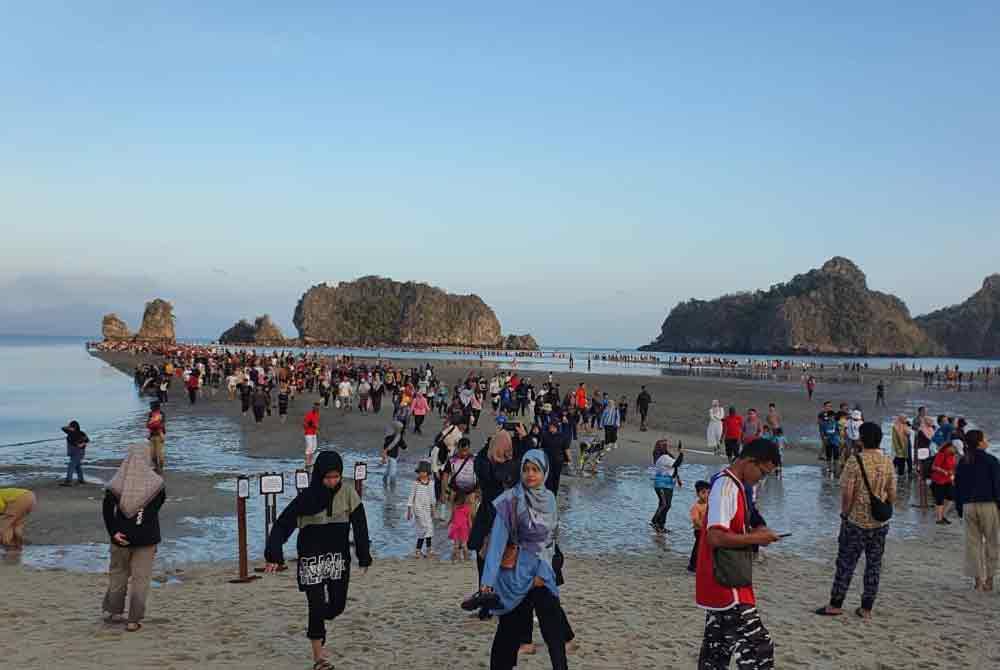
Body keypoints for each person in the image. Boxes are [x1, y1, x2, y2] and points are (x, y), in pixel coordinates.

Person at [264, 451, 372, 670]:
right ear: (319, 475)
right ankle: (318, 658)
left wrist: (363, 556)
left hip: (338, 560)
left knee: (336, 606)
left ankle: (319, 621)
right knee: (315, 606)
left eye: (336, 477)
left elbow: (360, 525)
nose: (332, 481)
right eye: (327, 477)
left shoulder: (349, 493)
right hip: (311, 560)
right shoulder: (306, 498)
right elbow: (283, 525)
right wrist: (274, 553)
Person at [480, 450, 570, 670]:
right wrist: (487, 582)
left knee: (554, 631)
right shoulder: (510, 501)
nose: (530, 475)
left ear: (544, 472)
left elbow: (550, 541)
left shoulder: (549, 499)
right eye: (526, 469)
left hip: (542, 574)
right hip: (515, 577)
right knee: (508, 633)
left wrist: (544, 572)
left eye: (536, 470)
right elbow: (497, 544)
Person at [696, 438, 781, 669]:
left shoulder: (737, 485)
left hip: (722, 579)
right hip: (726, 583)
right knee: (759, 648)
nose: (761, 479)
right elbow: (715, 537)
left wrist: (757, 530)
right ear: (750, 462)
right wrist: (756, 539)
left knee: (716, 653)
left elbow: (740, 523)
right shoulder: (726, 487)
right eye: (763, 473)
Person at [815, 422, 896, 621]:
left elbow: (847, 493)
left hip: (856, 521)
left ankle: (836, 604)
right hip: (879, 523)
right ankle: (866, 608)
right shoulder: (887, 461)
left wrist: (845, 514)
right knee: (874, 565)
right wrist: (882, 503)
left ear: (862, 439)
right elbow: (892, 493)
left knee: (846, 563)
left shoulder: (855, 461)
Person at [102, 443, 167, 632]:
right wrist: (139, 518)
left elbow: (107, 510)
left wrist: (113, 532)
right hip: (147, 538)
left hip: (121, 536)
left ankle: (114, 612)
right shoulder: (157, 485)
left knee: (118, 574)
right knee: (141, 580)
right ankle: (133, 620)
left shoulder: (117, 482)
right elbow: (153, 510)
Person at [954, 430, 1000, 591]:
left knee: (973, 544)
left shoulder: (963, 461)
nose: (987, 441)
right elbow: (997, 486)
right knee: (992, 543)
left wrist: (959, 508)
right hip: (988, 505)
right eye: (985, 438)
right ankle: (989, 580)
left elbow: (957, 487)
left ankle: (978, 581)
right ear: (980, 442)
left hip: (968, 506)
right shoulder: (991, 460)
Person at [650, 439, 683, 534]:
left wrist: (678, 478)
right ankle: (654, 521)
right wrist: (681, 453)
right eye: (666, 445)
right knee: (665, 505)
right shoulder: (663, 457)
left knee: (666, 505)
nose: (668, 446)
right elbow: (677, 464)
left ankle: (661, 526)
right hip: (662, 484)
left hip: (667, 483)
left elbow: (673, 467)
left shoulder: (664, 457)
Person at [407, 461, 436, 557]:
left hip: (427, 509)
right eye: (419, 472)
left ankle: (427, 549)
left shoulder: (431, 483)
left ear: (427, 472)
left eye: (423, 472)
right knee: (424, 528)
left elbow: (432, 497)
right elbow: (411, 497)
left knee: (429, 528)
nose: (421, 474)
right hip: (418, 509)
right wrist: (409, 511)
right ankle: (418, 549)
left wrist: (433, 509)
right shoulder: (416, 483)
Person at [930, 440, 958, 524]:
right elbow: (934, 467)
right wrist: (944, 471)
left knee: (951, 497)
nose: (955, 450)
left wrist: (953, 473)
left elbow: (953, 466)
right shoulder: (941, 454)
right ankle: (939, 519)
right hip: (938, 480)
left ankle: (943, 515)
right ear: (949, 447)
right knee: (940, 499)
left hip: (948, 479)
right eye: (954, 448)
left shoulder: (952, 455)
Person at [687, 480, 710, 573]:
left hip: (708, 530)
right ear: (697, 494)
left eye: (708, 492)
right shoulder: (696, 507)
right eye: (703, 493)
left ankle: (703, 564)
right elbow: (696, 520)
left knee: (706, 548)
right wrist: (703, 528)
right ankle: (692, 565)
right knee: (698, 547)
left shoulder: (710, 504)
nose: (706, 495)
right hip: (699, 531)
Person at [60, 420, 90, 486]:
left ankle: (68, 481)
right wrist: (69, 427)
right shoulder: (70, 432)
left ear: (75, 427)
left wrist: (82, 444)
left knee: (71, 466)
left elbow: (87, 440)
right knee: (77, 466)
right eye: (70, 426)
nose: (70, 428)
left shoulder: (81, 433)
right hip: (72, 452)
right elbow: (62, 428)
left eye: (71, 427)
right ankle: (81, 480)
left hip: (79, 452)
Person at [381, 420, 407, 488]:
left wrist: (384, 456)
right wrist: (405, 447)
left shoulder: (388, 436)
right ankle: (392, 486)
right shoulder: (398, 436)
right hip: (393, 456)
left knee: (388, 469)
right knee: (393, 472)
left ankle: (384, 480)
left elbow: (385, 446)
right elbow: (403, 445)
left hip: (388, 455)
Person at [449, 490, 473, 561]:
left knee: (456, 544)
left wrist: (448, 524)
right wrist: (471, 528)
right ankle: (466, 558)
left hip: (455, 528)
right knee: (464, 544)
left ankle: (456, 558)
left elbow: (452, 518)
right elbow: (469, 520)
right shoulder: (467, 508)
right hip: (464, 528)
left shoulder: (455, 508)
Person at [147, 401, 166, 474]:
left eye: (151, 406)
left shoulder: (161, 414)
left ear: (155, 407)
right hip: (152, 435)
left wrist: (161, 434)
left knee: (160, 454)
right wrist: (149, 434)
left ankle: (160, 468)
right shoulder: (150, 414)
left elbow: (161, 424)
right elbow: (148, 424)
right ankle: (156, 467)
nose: (150, 407)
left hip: (159, 435)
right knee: (153, 455)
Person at [303, 402, 320, 469]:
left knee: (314, 447)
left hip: (314, 433)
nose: (317, 409)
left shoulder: (317, 414)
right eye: (316, 408)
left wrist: (316, 429)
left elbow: (316, 423)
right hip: (308, 433)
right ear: (313, 408)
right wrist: (312, 425)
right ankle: (307, 463)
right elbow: (304, 424)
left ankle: (311, 462)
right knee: (309, 448)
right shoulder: (309, 414)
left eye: (318, 408)